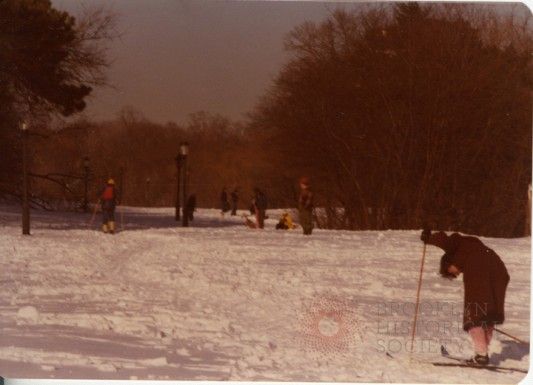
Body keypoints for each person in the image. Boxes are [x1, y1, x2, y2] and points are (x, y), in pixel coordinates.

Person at [421, 228, 510, 365]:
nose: (456, 273)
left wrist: (429, 239)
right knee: (488, 314)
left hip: (481, 271)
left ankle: (481, 354)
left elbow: (445, 240)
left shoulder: (457, 246)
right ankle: (482, 352)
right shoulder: (472, 249)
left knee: (474, 314)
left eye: (451, 272)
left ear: (448, 262)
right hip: (499, 271)